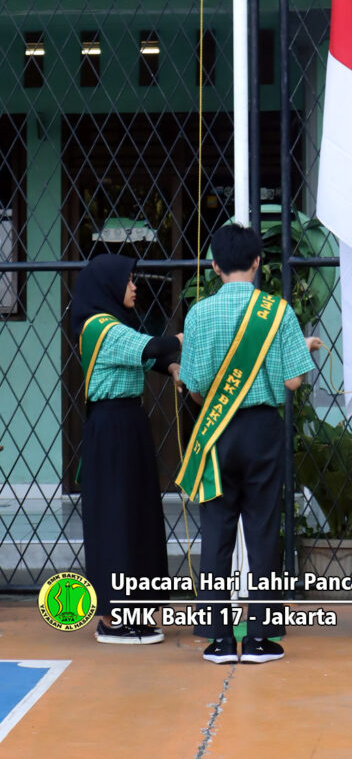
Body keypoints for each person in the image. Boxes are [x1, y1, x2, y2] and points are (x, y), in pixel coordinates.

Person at [178, 223, 321, 664]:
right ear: (259, 263)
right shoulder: (278, 312)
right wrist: (303, 348)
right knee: (262, 534)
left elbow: (194, 384)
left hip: (216, 433)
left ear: (215, 266)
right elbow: (293, 379)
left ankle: (219, 639)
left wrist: (217, 398)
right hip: (263, 431)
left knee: (217, 534)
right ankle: (259, 638)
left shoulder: (199, 315)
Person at [70, 253, 182, 645]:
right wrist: (187, 339)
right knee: (117, 518)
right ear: (109, 286)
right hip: (113, 428)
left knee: (138, 515)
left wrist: (170, 367)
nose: (135, 286)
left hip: (128, 425)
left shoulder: (112, 325)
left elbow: (146, 356)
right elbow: (152, 346)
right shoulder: (99, 326)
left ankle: (135, 609)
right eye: (129, 279)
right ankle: (114, 619)